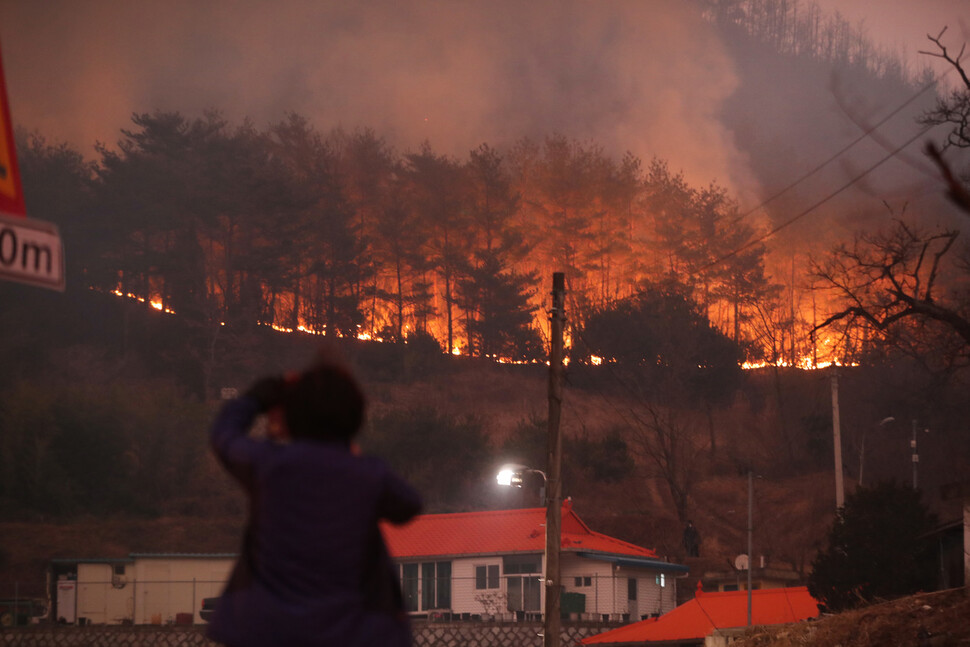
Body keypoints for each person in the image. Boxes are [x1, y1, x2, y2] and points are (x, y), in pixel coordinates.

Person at [207, 355, 422, 647]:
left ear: (291, 417)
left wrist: (257, 398)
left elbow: (223, 435)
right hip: (353, 633)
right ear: (355, 417)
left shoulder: (268, 466)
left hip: (266, 631)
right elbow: (408, 505)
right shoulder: (367, 474)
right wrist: (353, 458)